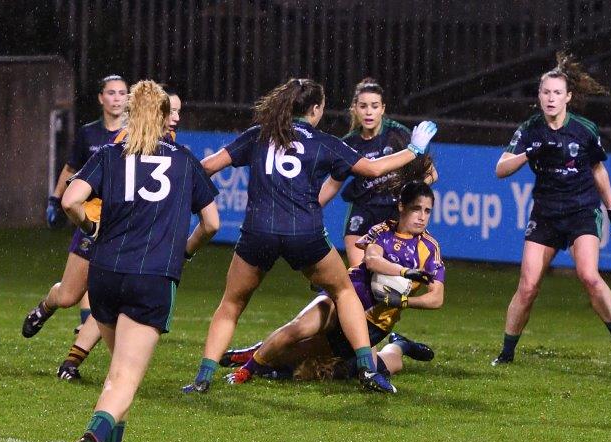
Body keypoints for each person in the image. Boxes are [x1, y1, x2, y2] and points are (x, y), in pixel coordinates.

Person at [180, 78, 438, 394]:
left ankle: (203, 378)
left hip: (258, 232)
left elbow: (206, 167)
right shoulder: (324, 142)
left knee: (231, 304)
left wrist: (190, 195)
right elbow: (372, 169)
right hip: (304, 233)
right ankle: (368, 372)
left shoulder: (260, 134)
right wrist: (413, 150)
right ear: (315, 109)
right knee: (344, 291)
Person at [62, 80, 220, 442]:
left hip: (105, 274)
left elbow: (69, 200)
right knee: (126, 375)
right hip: (151, 276)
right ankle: (92, 439)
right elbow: (212, 224)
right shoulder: (184, 159)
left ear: (130, 114)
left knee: (118, 368)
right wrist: (186, 249)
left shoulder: (110, 155)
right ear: (167, 118)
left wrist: (91, 226)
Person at [490, 52, 611, 367]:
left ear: (568, 97)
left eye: (557, 93)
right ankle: (506, 353)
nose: (551, 98)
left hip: (581, 211)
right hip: (545, 214)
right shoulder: (530, 129)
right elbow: (501, 169)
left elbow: (598, 171)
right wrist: (528, 153)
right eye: (546, 92)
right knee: (528, 286)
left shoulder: (584, 129)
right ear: (539, 96)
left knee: (589, 276)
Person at [222, 181, 444, 388]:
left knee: (356, 367)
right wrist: (405, 271)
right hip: (345, 297)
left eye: (427, 211)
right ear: (402, 206)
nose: (422, 217)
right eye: (417, 209)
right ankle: (246, 369)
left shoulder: (429, 249)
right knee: (299, 328)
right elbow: (372, 260)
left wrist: (403, 301)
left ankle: (399, 345)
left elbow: (436, 298)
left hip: (374, 324)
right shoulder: (382, 231)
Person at [54, 91, 185, 381]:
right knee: (75, 295)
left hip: (132, 238)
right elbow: (83, 189)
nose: (176, 118)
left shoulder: (171, 148)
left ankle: (73, 362)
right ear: (156, 114)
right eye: (171, 111)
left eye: (178, 112)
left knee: (110, 304)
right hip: (115, 232)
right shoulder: (121, 143)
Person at [22, 75, 128, 342]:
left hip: (121, 223)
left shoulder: (136, 135)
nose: (117, 98)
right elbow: (71, 168)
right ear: (100, 98)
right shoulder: (89, 134)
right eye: (111, 93)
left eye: (122, 93)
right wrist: (55, 200)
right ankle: (46, 307)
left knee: (106, 286)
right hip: (90, 220)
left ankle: (77, 355)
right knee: (69, 295)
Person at [319, 77, 437, 266]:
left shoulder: (399, 135)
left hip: (394, 214)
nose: (368, 112)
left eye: (374, 106)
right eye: (363, 106)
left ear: (382, 108)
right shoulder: (349, 143)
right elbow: (333, 185)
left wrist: (408, 193)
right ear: (355, 108)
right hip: (362, 213)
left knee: (387, 284)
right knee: (358, 278)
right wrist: (308, 210)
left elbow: (431, 174)